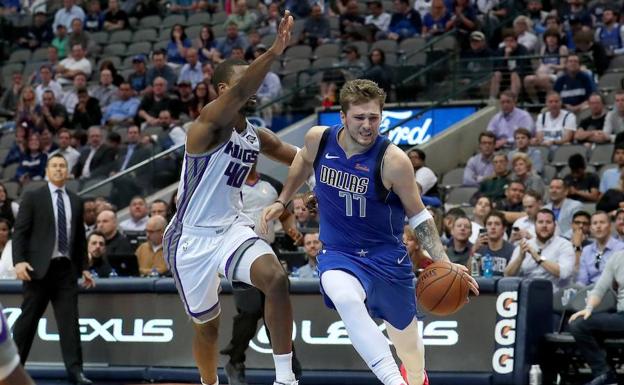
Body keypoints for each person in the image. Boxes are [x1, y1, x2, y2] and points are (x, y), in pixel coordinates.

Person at [262, 78, 479, 385]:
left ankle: (414, 377)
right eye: (359, 117)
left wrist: (443, 260)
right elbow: (301, 161)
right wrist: (283, 200)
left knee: (411, 352)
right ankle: (393, 381)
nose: (367, 125)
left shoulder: (393, 161)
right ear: (342, 117)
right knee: (345, 298)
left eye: (374, 118)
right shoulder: (318, 139)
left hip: (387, 260)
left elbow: (419, 217)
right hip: (339, 254)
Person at [162, 13, 302, 385]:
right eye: (243, 84)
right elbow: (243, 90)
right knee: (207, 328)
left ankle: (285, 378)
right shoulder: (205, 125)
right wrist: (273, 51)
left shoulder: (256, 136)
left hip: (231, 229)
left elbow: (304, 158)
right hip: (190, 237)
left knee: (274, 279)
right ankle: (210, 383)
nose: (251, 90)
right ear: (223, 91)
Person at [12, 154, 94, 385]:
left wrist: (84, 268)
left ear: (68, 171)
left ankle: (76, 373)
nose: (58, 169)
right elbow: (20, 233)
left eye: (62, 166)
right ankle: (12, 371)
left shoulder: (76, 200)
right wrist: (19, 261)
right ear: (47, 171)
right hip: (37, 271)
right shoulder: (32, 197)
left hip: (65, 271)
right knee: (26, 324)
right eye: (54, 166)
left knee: (70, 323)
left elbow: (79, 240)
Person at [568, 247, 624, 385]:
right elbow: (599, 288)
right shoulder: (617, 258)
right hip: (622, 316)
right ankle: (605, 374)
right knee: (579, 324)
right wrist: (588, 308)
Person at [504, 208, 575, 291]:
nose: (544, 225)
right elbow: (507, 275)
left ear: (555, 226)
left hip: (554, 296)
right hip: (527, 294)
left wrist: (538, 258)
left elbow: (564, 273)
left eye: (548, 222)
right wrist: (520, 258)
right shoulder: (524, 245)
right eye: (540, 222)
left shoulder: (564, 245)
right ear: (535, 225)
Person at [577, 211, 624, 286]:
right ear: (591, 228)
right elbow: (582, 280)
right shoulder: (586, 250)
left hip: (613, 292)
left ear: (610, 227)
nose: (598, 226)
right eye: (595, 223)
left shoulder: (621, 248)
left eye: (602, 222)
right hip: (589, 292)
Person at [472, 211, 514, 276]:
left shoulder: (512, 250)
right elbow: (470, 274)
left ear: (504, 228)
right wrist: (473, 250)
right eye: (489, 224)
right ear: (485, 228)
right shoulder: (479, 248)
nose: (493, 227)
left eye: (497, 224)